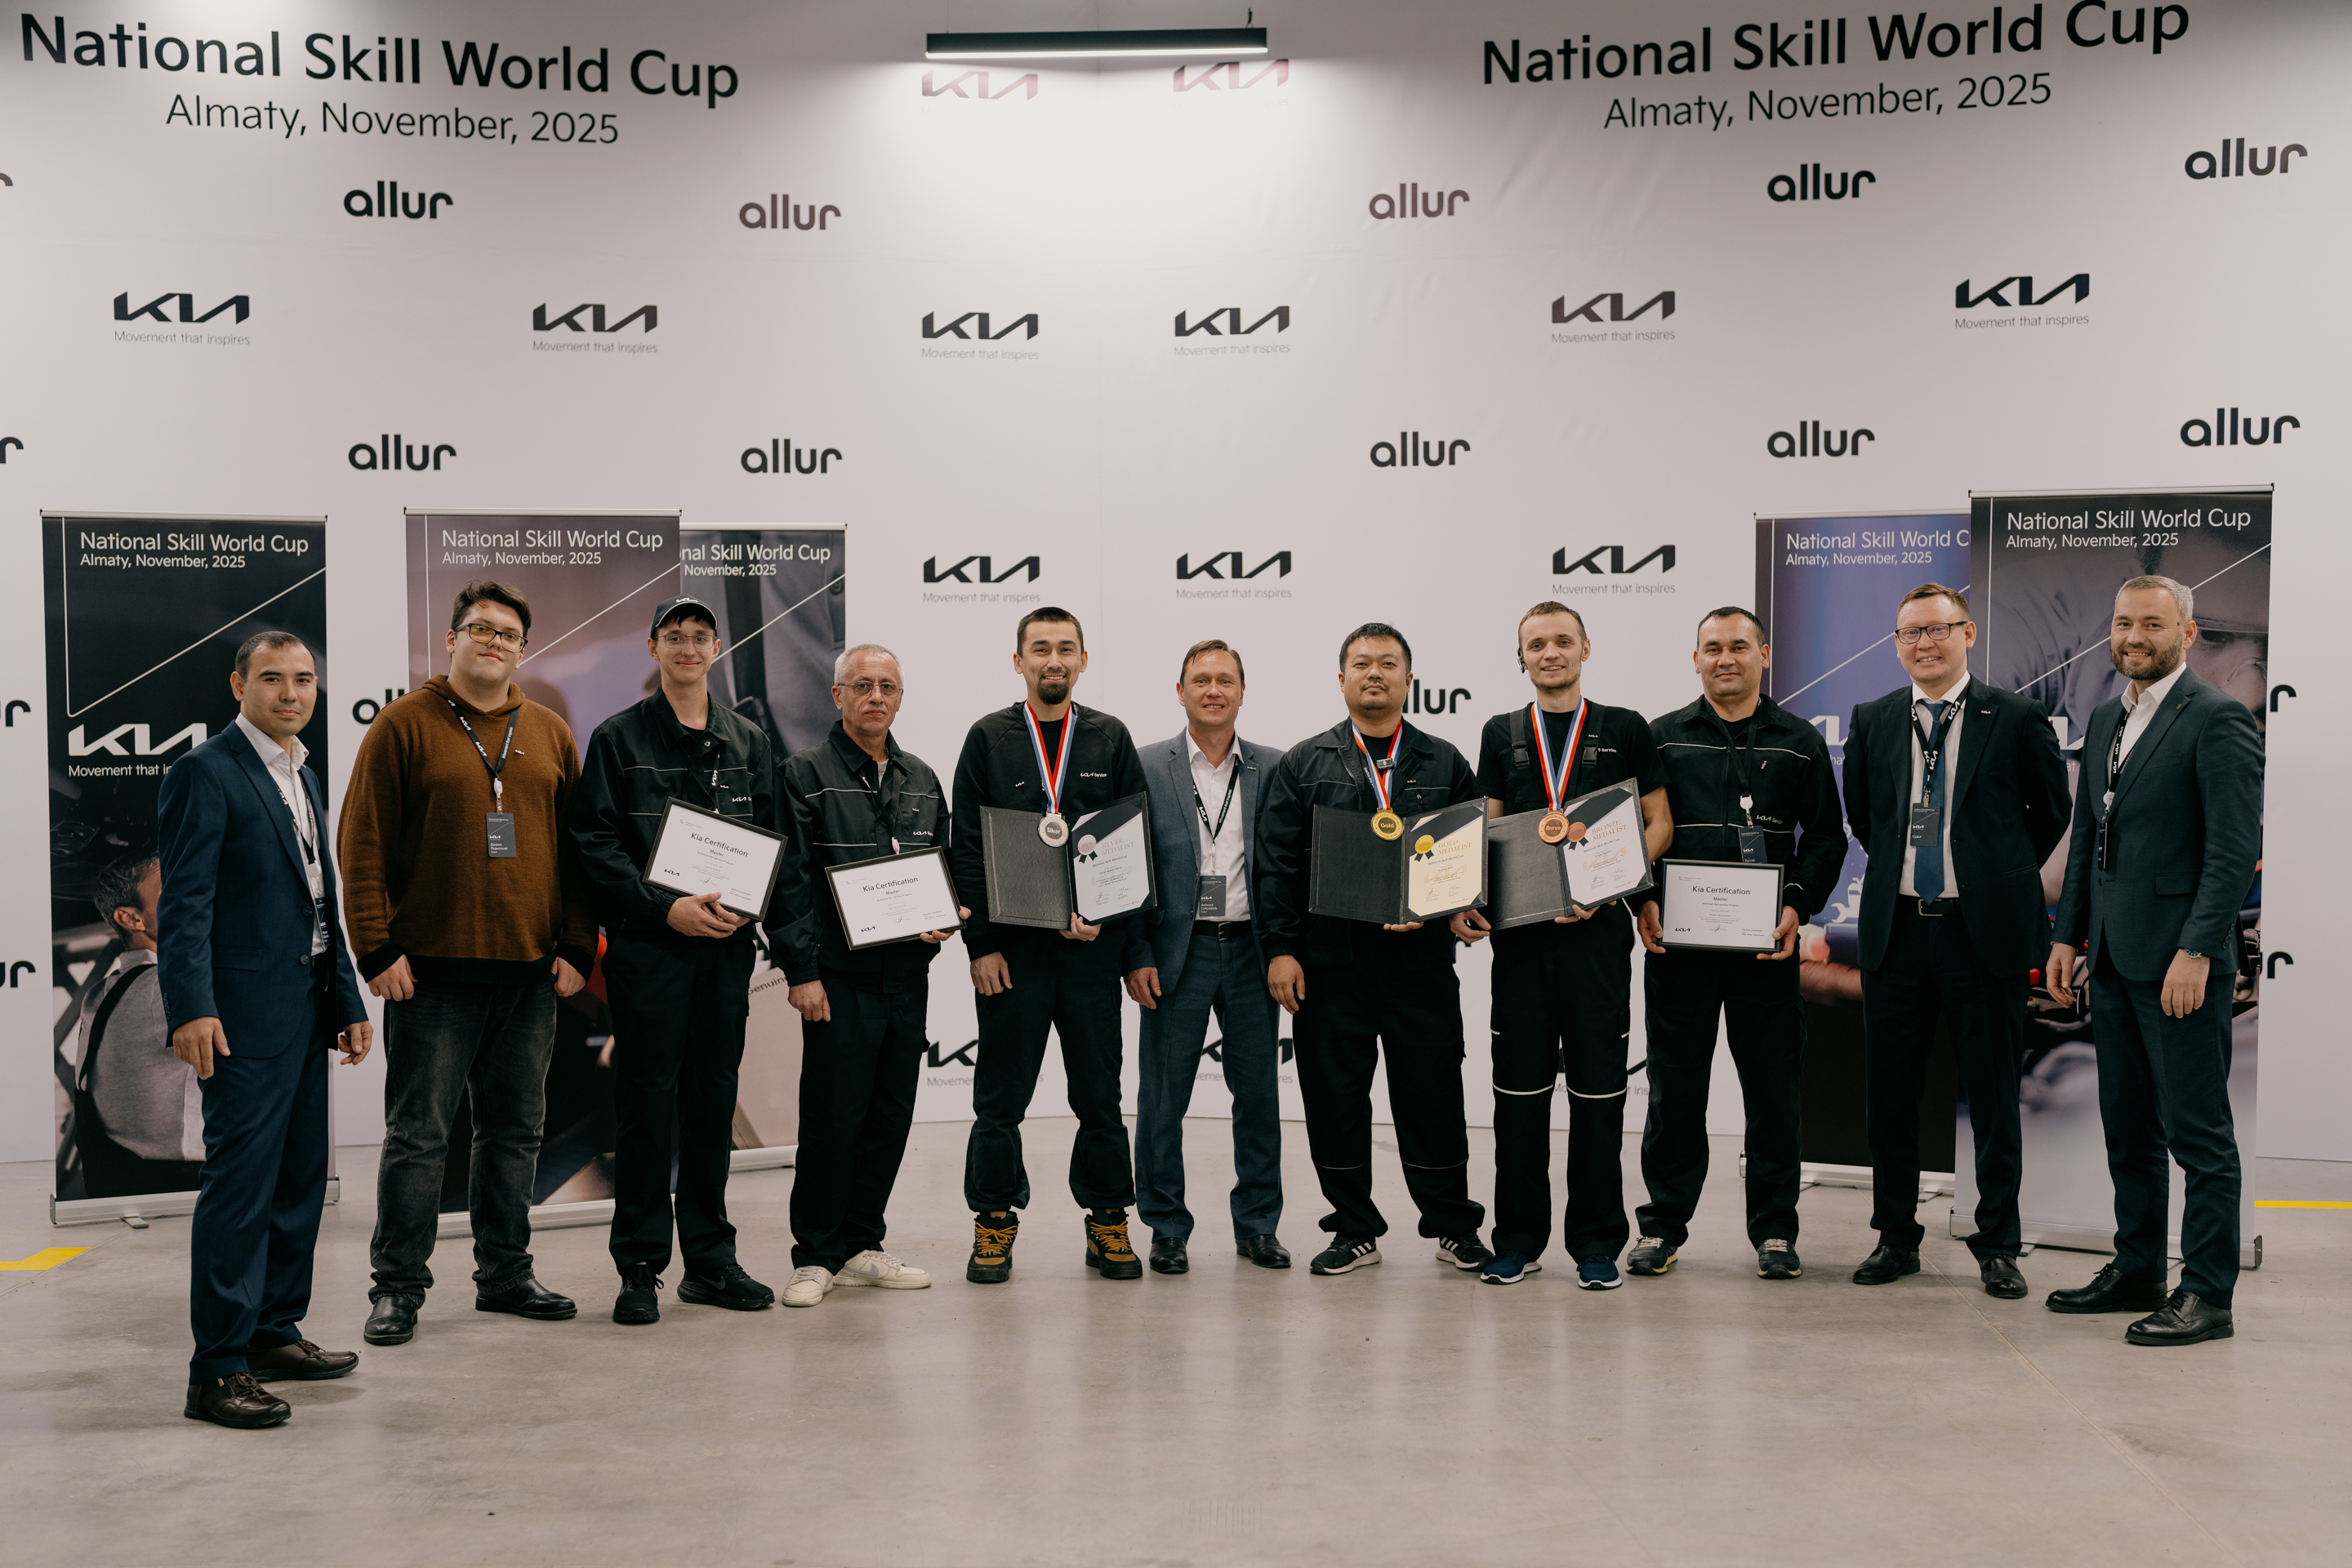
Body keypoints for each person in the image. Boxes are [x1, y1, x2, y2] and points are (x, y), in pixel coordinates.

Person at [341, 581, 599, 1347]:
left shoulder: (549, 731)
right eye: (480, 629)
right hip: (431, 977)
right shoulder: (401, 725)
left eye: (508, 634)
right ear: (451, 639)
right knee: (419, 1138)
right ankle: (397, 1288)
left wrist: (576, 945)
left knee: (515, 1133)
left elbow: (578, 855)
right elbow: (362, 844)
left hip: (529, 975)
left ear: (523, 650)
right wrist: (376, 948)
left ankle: (506, 1274)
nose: (494, 642)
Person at [157, 630, 371, 1428]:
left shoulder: (301, 770)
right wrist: (190, 1006)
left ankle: (274, 1332)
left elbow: (320, 901)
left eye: (304, 679)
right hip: (240, 1017)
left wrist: (347, 1000)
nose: (291, 693)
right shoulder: (205, 772)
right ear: (238, 685)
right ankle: (216, 1372)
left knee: (298, 1181)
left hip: (306, 1005)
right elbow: (185, 904)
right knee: (241, 1190)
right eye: (273, 678)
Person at [2044, 575, 2261, 1346]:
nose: (2134, 637)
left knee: (2199, 1137)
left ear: (2186, 634)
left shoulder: (2217, 719)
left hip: (2180, 967)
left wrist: (2197, 949)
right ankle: (2137, 1268)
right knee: (2129, 1131)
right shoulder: (2107, 716)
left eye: (2152, 625)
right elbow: (2088, 840)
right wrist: (2067, 936)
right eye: (2124, 623)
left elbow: (2233, 850)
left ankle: (2207, 1294)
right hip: (2111, 958)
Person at [1842, 585, 2070, 1298]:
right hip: (1899, 930)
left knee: (1995, 1099)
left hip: (1983, 933)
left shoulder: (2017, 717)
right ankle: (1894, 1237)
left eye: (1939, 630)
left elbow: (2050, 815)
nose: (1926, 644)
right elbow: (1866, 818)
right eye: (1911, 633)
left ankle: (1998, 1244)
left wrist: (1991, 872)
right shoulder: (1874, 719)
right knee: (1891, 1099)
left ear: (1967, 634)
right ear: (1897, 644)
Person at [1257, 621, 1492, 1277]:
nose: (1375, 674)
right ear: (1341, 679)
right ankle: (1353, 1228)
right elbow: (1275, 865)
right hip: (1329, 968)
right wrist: (1280, 950)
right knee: (1334, 1102)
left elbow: (1470, 854)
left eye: (1388, 663)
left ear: (1409, 680)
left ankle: (1453, 1226)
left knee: (1433, 1099)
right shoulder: (1304, 763)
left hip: (1420, 967)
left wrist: (1451, 909)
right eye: (1362, 663)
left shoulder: (1444, 761)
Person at [571, 595, 782, 1325]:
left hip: (724, 953)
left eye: (700, 636)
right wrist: (665, 907)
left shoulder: (748, 741)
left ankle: (711, 1262)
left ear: (717, 649)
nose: (688, 647)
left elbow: (771, 840)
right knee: (645, 1108)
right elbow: (595, 841)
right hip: (650, 951)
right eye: (674, 636)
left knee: (712, 1105)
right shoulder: (619, 738)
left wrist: (745, 908)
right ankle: (639, 1267)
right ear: (654, 648)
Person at [1453, 604, 1672, 1290]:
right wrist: (1468, 897)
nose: (1550, 653)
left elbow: (1659, 822)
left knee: (1599, 1096)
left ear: (1585, 648)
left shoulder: (1626, 727)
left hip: (1598, 939)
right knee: (1518, 1097)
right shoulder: (1501, 732)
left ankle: (1597, 1242)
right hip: (1522, 942)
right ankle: (1517, 1239)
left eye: (1562, 641)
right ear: (1522, 657)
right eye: (1536, 644)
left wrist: (1613, 885)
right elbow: (1487, 831)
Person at [1630, 608, 1845, 1281]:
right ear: (1695, 659)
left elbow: (1827, 837)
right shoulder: (1660, 738)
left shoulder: (1800, 741)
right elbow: (1633, 831)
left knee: (1774, 1096)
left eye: (1740, 647)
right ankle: (1662, 1227)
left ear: (1764, 655)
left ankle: (1776, 1231)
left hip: (1766, 953)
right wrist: (1642, 898)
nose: (1726, 658)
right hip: (1678, 951)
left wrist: (1796, 905)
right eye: (1713, 647)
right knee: (1674, 1096)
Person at [949, 607, 1151, 1284]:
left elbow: (1132, 842)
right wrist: (980, 944)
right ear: (1019, 662)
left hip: (1091, 952)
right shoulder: (989, 737)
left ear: (1083, 661)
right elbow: (967, 847)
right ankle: (993, 1221)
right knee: (999, 1099)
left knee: (1099, 1097)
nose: (1053, 660)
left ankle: (1108, 1219)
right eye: (1040, 649)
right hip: (1013, 958)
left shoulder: (1109, 737)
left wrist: (1114, 927)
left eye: (1066, 648)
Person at [773, 644, 959, 1307]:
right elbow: (788, 883)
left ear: (900, 698)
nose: (875, 696)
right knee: (833, 1119)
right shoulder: (804, 774)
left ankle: (859, 1245)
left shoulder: (922, 777)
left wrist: (946, 915)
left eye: (887, 686)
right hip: (836, 979)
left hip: (905, 978)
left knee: (888, 1116)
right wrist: (801, 971)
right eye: (862, 686)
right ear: (838, 696)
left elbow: (943, 865)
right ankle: (814, 1255)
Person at [1122, 639, 1290, 1275]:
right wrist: (1136, 952)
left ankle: (1258, 1225)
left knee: (1259, 1098)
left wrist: (1287, 951)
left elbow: (1290, 866)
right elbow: (1125, 868)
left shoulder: (1275, 767)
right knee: (1163, 1101)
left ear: (1242, 692)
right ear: (1181, 691)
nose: (1213, 690)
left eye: (1225, 680)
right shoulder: (1145, 766)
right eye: (1201, 680)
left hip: (1251, 952)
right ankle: (1166, 1227)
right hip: (1177, 953)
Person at [74, 855, 205, 1196]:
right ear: (131, 918)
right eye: (171, 887)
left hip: (123, 1177)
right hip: (177, 1183)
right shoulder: (165, 985)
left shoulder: (101, 992)